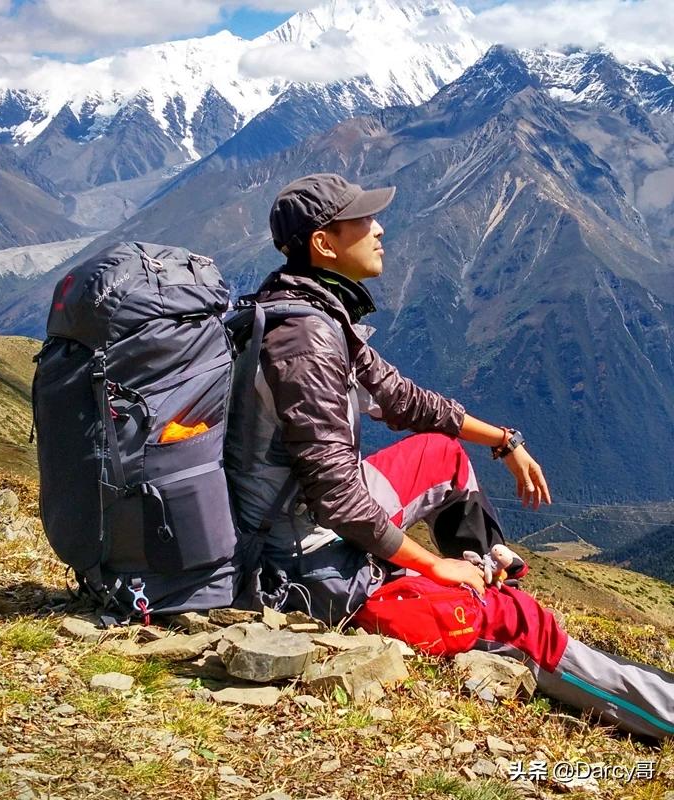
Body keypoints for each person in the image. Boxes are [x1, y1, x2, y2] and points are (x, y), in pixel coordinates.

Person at [225, 172, 674, 738]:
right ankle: (660, 710)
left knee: (443, 454)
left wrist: (503, 441)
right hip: (304, 563)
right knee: (521, 623)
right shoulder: (304, 341)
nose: (380, 227)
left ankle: (485, 572)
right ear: (324, 243)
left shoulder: (308, 311)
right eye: (363, 219)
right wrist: (433, 563)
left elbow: (403, 400)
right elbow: (336, 494)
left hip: (304, 518)